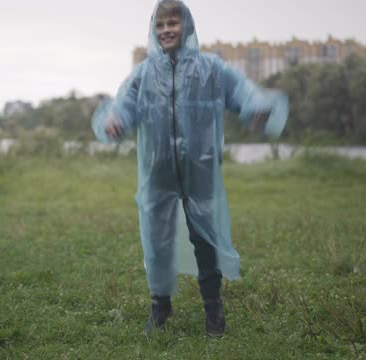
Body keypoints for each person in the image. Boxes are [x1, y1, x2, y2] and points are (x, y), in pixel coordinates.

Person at [92, 0, 288, 337]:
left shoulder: (212, 68)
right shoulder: (143, 73)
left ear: (187, 26)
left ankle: (214, 312)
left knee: (205, 239)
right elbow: (123, 107)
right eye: (160, 25)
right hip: (157, 173)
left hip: (200, 170)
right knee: (157, 240)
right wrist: (115, 122)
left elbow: (242, 92)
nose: (166, 30)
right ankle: (160, 307)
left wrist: (257, 109)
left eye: (173, 23)